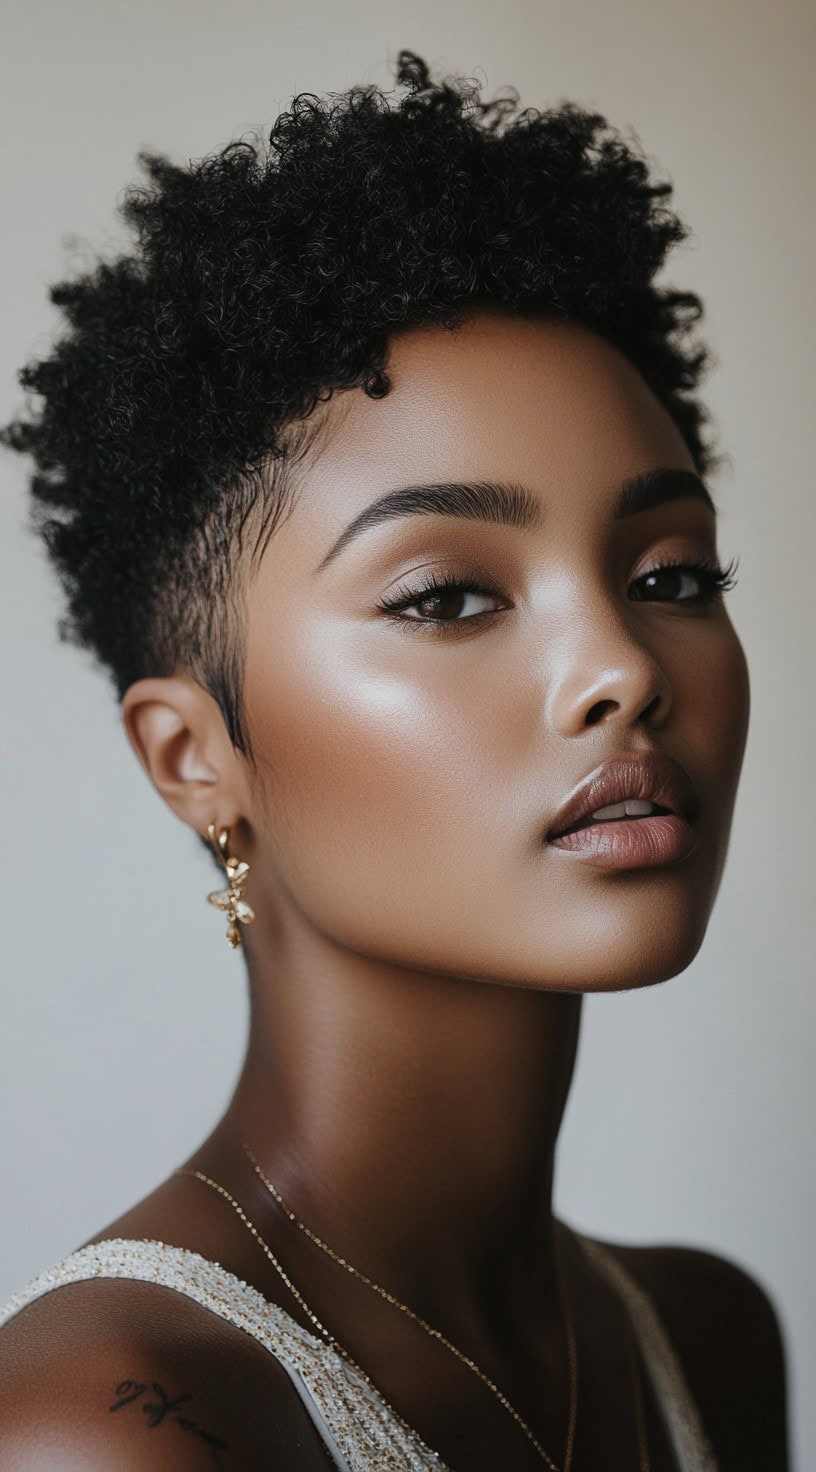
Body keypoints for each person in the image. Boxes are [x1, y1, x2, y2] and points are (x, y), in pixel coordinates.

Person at [0, 49, 789, 1472]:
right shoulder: (115, 1427)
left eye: (671, 575)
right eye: (448, 598)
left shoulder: (709, 1335)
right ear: (194, 759)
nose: (621, 666)